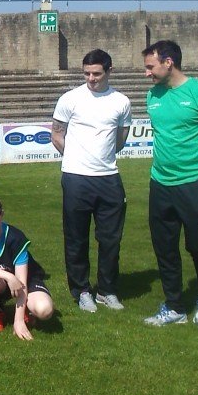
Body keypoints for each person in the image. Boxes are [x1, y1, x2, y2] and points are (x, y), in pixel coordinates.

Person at [141, 40, 198, 326]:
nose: (147, 73)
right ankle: (174, 306)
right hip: (160, 183)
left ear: (169, 62)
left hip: (196, 182)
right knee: (164, 246)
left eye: (150, 67)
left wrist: (195, 151)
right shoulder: (152, 96)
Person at [50, 49, 132, 313]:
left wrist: (101, 158)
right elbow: (56, 134)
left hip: (108, 178)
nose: (91, 79)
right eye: (86, 73)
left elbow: (121, 139)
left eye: (96, 73)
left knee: (111, 239)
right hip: (76, 179)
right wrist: (75, 159)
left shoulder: (121, 102)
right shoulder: (70, 99)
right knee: (76, 238)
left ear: (109, 71)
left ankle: (107, 291)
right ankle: (82, 290)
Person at [0, 194, 54, 341]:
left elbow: (22, 283)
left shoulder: (16, 238)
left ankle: (26, 310)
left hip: (26, 280)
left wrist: (18, 321)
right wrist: (9, 276)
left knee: (44, 310)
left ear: (1, 215)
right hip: (6, 279)